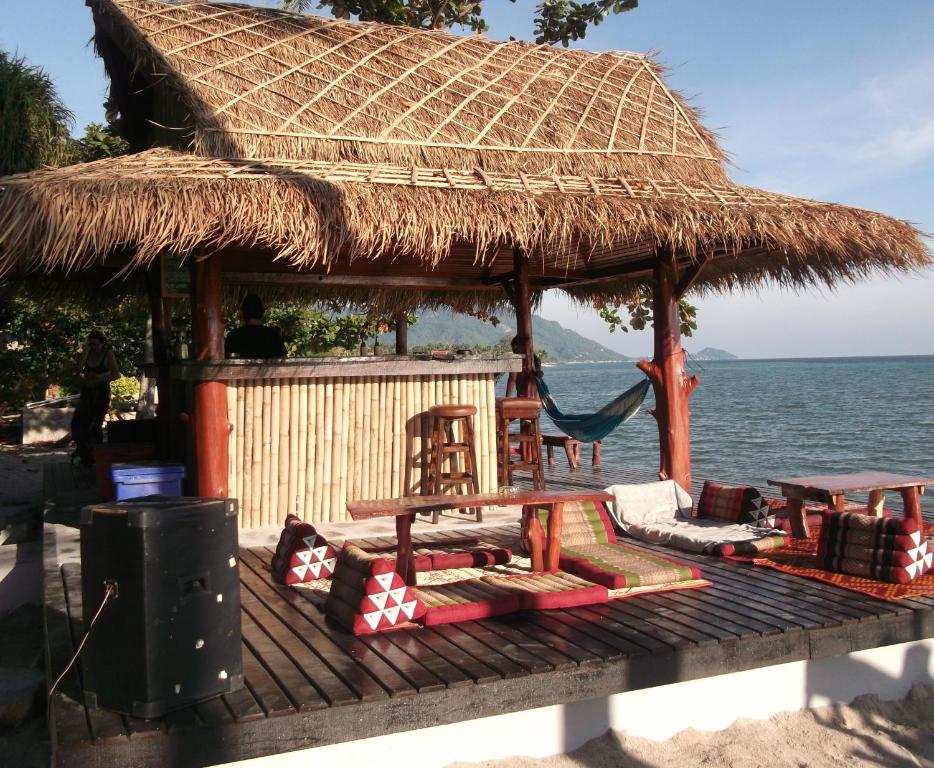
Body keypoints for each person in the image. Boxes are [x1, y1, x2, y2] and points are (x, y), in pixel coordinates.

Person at [71, 330, 120, 464]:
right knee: (79, 422)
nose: (94, 347)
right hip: (87, 391)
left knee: (95, 424)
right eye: (91, 345)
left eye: (96, 345)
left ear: (102, 344)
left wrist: (100, 377)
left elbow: (116, 375)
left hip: (101, 392)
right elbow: (77, 370)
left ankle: (96, 455)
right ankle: (83, 452)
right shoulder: (88, 354)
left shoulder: (107, 354)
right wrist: (85, 353)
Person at [224, 294, 287, 359]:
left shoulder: (234, 336)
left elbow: (229, 361)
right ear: (262, 312)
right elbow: (284, 361)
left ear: (243, 312)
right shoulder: (273, 335)